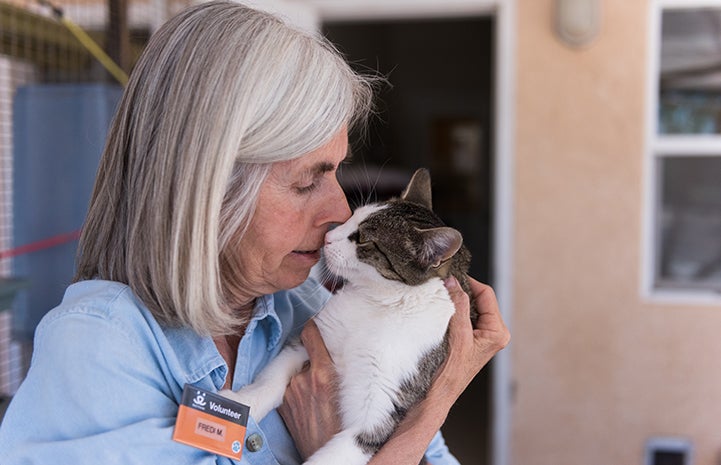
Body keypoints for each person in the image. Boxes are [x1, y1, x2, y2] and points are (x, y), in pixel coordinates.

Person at [0, 2, 510, 464]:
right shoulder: (99, 346)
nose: (339, 212)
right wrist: (435, 402)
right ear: (207, 188)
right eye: (308, 181)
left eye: (336, 172)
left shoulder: (311, 303)